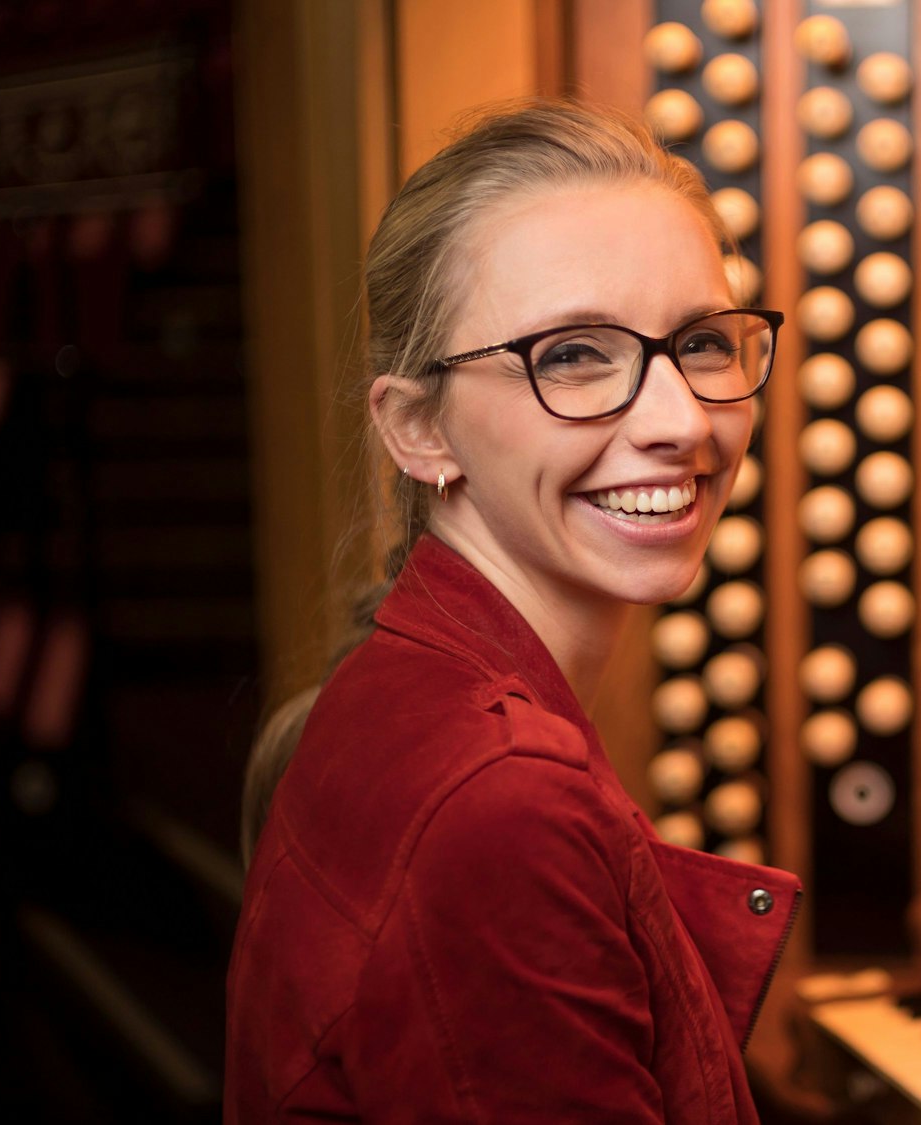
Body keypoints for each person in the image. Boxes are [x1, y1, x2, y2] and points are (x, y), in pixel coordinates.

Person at [225, 99, 797, 1124]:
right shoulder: (500, 810)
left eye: (704, 343)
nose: (680, 423)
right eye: (573, 354)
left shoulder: (406, 690)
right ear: (416, 429)